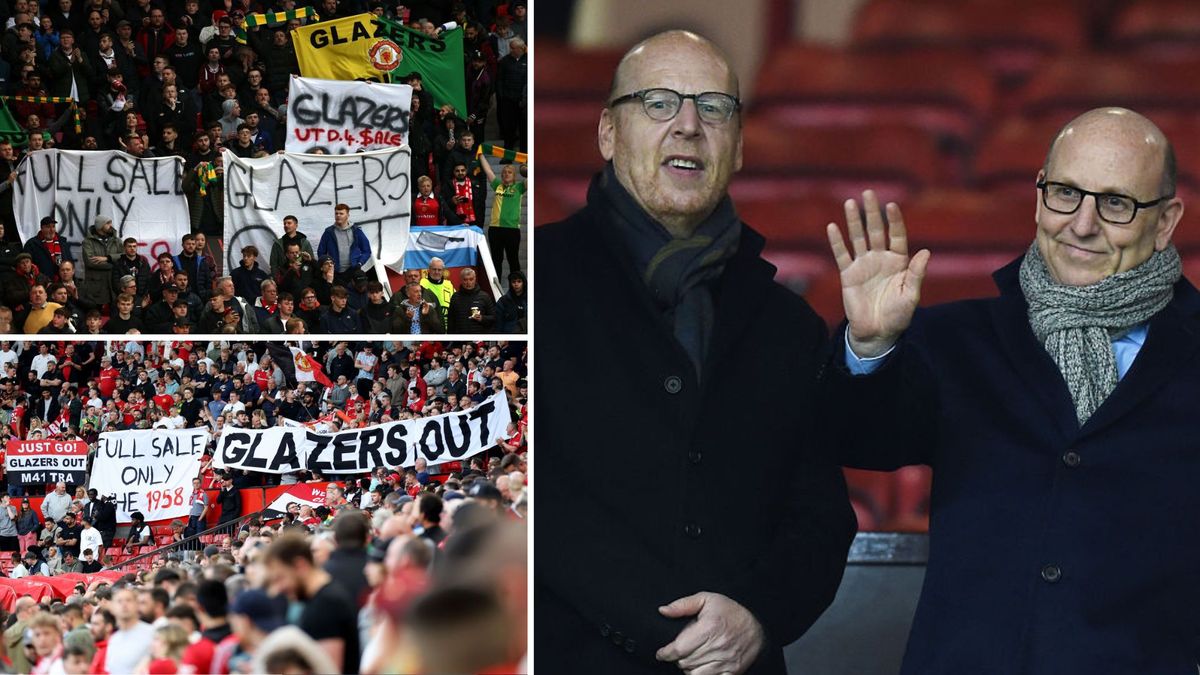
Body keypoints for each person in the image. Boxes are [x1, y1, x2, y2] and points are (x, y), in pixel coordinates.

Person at [821, 107, 1200, 673]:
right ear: (1038, 195)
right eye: (1065, 193)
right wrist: (871, 345)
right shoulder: (957, 339)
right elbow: (858, 439)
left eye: (1116, 203)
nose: (1082, 224)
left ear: (1166, 221)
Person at [535, 30, 855, 675]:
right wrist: (664, 630)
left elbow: (819, 518)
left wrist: (756, 615)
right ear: (606, 133)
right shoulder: (532, 285)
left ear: (737, 146)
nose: (687, 125)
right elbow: (513, 497)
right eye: (658, 103)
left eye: (713, 108)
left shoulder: (788, 323)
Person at [263, 533, 359, 673]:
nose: (277, 590)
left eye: (280, 578)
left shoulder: (326, 604)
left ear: (300, 566)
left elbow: (329, 670)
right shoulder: (322, 599)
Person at [480, 158, 527, 278]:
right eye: (504, 172)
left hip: (512, 229)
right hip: (495, 229)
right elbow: (488, 171)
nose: (506, 174)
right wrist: (481, 155)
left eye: (509, 172)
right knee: (496, 261)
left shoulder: (519, 187)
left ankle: (518, 290)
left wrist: (526, 166)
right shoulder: (498, 186)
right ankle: (497, 292)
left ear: (514, 176)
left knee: (513, 261)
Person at [317, 203, 371, 285]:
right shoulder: (329, 232)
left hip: (352, 270)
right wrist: (327, 265)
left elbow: (366, 250)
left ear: (348, 215)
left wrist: (360, 263)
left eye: (341, 213)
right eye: (336, 213)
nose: (338, 215)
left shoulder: (356, 231)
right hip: (334, 272)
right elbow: (321, 252)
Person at [81, 214, 121, 308]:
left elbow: (123, 256)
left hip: (113, 284)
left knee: (115, 311)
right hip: (96, 286)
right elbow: (90, 262)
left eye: (110, 222)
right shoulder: (88, 242)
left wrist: (108, 258)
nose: (110, 225)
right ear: (100, 226)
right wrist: (114, 264)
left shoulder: (116, 240)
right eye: (107, 223)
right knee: (94, 314)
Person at [446, 268, 495, 333]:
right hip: (460, 339)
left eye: (471, 279)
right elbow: (451, 320)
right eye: (465, 280)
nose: (468, 282)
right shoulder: (455, 297)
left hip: (479, 339)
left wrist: (482, 318)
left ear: (475, 279)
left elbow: (494, 317)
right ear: (461, 280)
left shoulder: (484, 296)